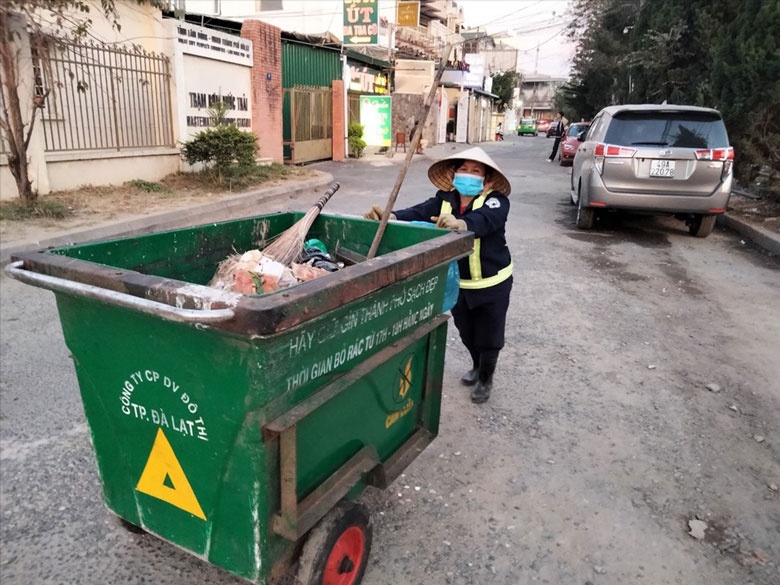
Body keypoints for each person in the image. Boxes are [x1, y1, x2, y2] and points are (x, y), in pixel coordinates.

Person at [363, 148, 512, 404]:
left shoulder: (495, 201)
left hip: (492, 283)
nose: (468, 175)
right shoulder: (444, 200)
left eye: (475, 171)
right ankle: (476, 366)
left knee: (489, 336)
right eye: (463, 169)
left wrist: (462, 224)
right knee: (466, 331)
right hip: (458, 283)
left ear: (486, 181)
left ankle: (486, 379)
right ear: (454, 175)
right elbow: (416, 212)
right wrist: (389, 217)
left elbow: (486, 219)